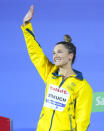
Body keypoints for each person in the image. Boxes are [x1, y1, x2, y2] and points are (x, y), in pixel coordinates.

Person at [21, 5, 93, 131]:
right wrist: (26, 25)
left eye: (59, 52)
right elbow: (36, 53)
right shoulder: (50, 73)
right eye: (53, 53)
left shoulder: (83, 86)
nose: (55, 56)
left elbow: (83, 121)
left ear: (70, 56)